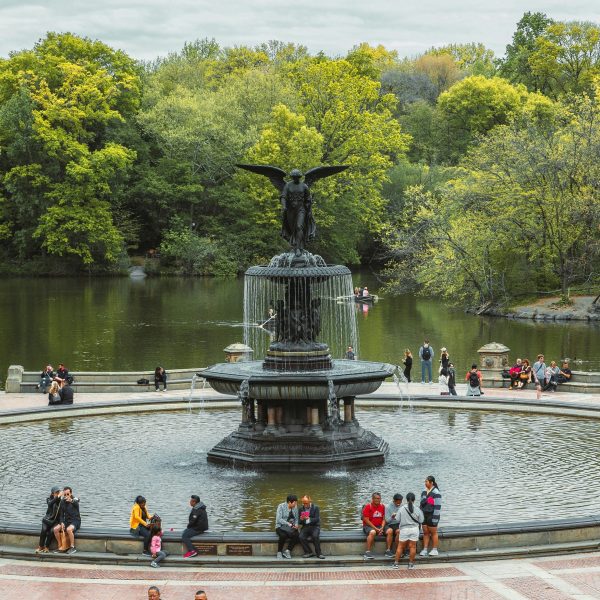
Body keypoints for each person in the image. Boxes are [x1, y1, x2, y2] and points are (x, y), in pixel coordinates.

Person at [280, 169, 316, 256]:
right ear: (292, 177)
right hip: (290, 210)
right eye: (294, 177)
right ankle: (295, 246)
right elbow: (283, 197)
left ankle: (299, 248)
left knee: (299, 226)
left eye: (297, 177)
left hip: (301, 209)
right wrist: (284, 206)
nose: (295, 178)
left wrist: (309, 210)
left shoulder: (304, 186)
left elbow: (308, 199)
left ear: (299, 177)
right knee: (293, 229)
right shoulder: (288, 186)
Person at [391, 492, 424, 570]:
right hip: (414, 530)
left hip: (404, 529)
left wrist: (394, 516)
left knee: (400, 546)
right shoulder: (417, 509)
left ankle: (396, 564)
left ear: (406, 499)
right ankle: (411, 564)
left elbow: (397, 519)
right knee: (412, 547)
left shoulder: (402, 508)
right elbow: (421, 520)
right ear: (414, 500)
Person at [53, 486, 80, 554]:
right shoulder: (62, 502)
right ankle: (60, 546)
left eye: (67, 494)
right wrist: (62, 522)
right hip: (66, 521)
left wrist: (71, 501)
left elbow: (76, 503)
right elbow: (61, 515)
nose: (66, 496)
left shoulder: (75, 500)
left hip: (75, 521)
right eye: (64, 494)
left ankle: (72, 547)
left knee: (68, 529)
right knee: (55, 529)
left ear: (70, 493)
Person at [420, 476, 441, 557]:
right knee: (425, 533)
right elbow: (421, 504)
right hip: (424, 515)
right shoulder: (423, 492)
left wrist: (435, 518)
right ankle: (425, 549)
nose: (425, 483)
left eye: (427, 482)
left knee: (433, 532)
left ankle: (435, 549)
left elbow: (437, 506)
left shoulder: (436, 492)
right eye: (425, 481)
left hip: (432, 515)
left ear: (431, 482)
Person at [36, 486, 62, 553]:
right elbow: (50, 504)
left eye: (58, 492)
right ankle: (40, 546)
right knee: (44, 530)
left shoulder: (60, 501)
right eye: (56, 492)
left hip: (55, 521)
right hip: (47, 520)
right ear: (52, 493)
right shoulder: (49, 499)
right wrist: (57, 497)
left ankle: (47, 547)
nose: (57, 493)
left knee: (51, 531)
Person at [298, 495, 325, 559]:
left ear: (310, 501)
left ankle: (319, 553)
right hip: (305, 527)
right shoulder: (301, 509)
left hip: (315, 526)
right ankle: (309, 552)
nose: (305, 504)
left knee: (315, 536)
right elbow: (299, 522)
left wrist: (308, 519)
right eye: (303, 503)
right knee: (301, 536)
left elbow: (317, 519)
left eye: (306, 503)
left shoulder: (316, 507)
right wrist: (301, 519)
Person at [362, 492, 385, 559]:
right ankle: (367, 552)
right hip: (368, 526)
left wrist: (382, 527)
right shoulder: (368, 507)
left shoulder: (382, 506)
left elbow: (384, 519)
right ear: (372, 499)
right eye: (376, 498)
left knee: (390, 531)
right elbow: (366, 520)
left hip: (379, 526)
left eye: (379, 498)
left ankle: (388, 551)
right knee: (373, 532)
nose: (378, 500)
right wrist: (376, 529)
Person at [275, 494, 299, 559]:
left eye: (296, 502)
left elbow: (296, 518)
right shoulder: (281, 506)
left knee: (297, 535)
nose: (295, 504)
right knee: (283, 535)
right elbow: (279, 519)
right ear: (289, 502)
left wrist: (296, 525)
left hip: (290, 527)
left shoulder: (295, 507)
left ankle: (287, 551)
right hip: (280, 526)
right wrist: (288, 524)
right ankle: (279, 552)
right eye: (294, 503)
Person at [384, 493, 403, 558]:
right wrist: (392, 517)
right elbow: (387, 520)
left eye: (400, 503)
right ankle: (388, 550)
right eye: (397, 503)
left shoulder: (402, 506)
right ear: (394, 501)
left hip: (398, 523)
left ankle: (400, 550)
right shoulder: (388, 507)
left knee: (401, 531)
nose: (399, 504)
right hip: (390, 523)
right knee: (393, 531)